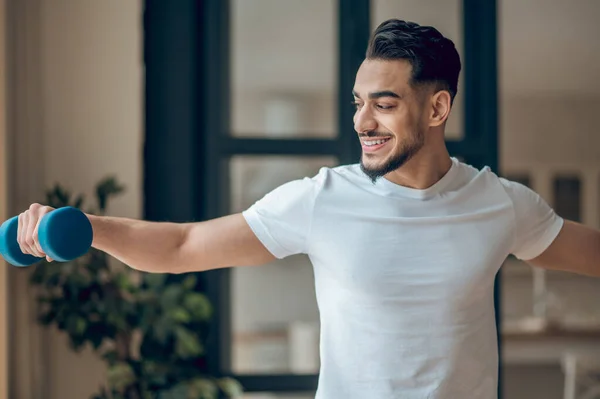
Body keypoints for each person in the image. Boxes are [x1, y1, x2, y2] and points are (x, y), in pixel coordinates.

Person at [16, 19, 600, 399]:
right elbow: (183, 247)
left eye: (384, 104)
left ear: (438, 106)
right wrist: (87, 227)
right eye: (357, 103)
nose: (361, 122)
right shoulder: (322, 198)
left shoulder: (500, 204)